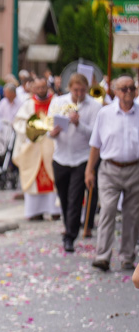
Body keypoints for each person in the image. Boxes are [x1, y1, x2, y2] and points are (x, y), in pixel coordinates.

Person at [87, 75, 139, 272]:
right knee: (108, 209)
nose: (128, 92)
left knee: (132, 215)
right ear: (115, 92)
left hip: (135, 168)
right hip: (110, 168)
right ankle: (103, 255)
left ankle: (127, 256)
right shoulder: (105, 113)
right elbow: (95, 144)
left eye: (131, 88)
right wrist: (89, 170)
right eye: (123, 89)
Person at [50, 73, 102, 253]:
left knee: (75, 197)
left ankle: (70, 236)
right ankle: (68, 225)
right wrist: (53, 131)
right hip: (60, 156)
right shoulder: (58, 102)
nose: (79, 93)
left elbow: (95, 134)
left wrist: (79, 124)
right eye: (75, 90)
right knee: (63, 197)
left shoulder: (94, 106)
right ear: (69, 89)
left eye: (82, 90)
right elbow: (48, 126)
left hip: (82, 157)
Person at [13, 78, 61, 220]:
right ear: (33, 89)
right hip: (33, 147)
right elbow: (18, 122)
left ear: (47, 87)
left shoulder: (56, 102)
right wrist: (30, 130)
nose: (40, 90)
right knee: (33, 179)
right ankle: (34, 212)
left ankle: (55, 210)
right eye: (38, 88)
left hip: (51, 145)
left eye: (43, 87)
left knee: (53, 177)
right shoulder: (28, 105)